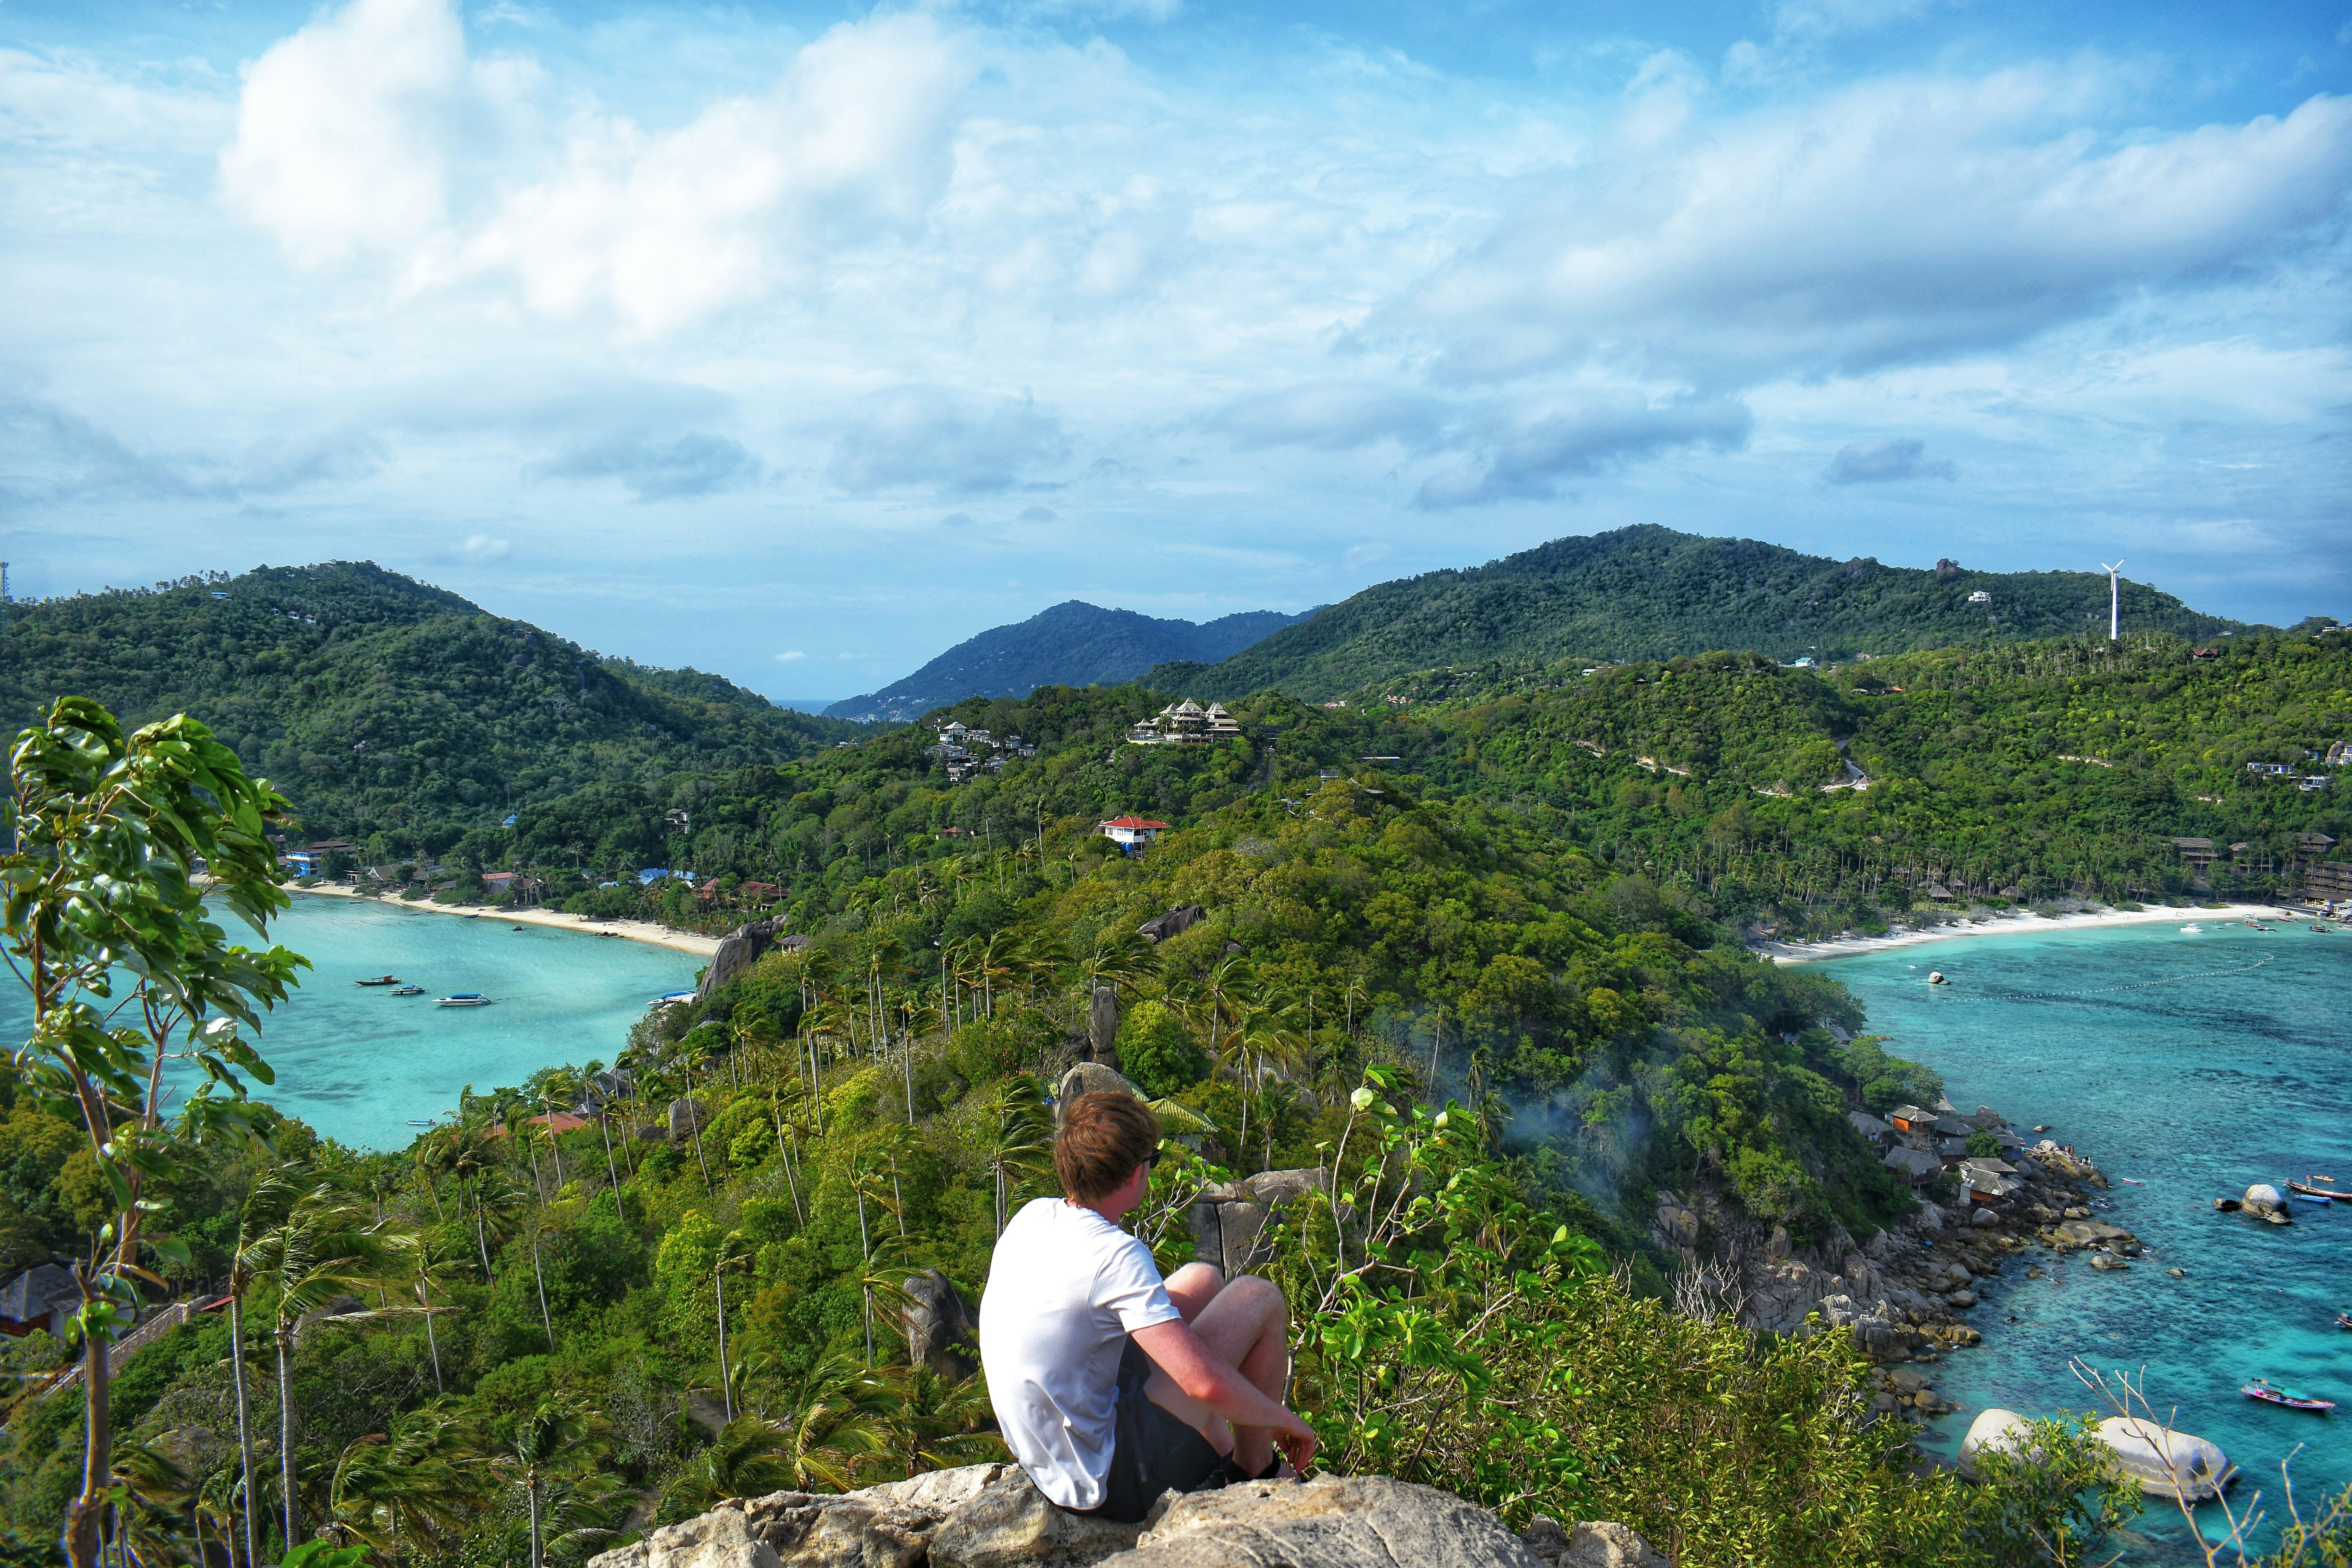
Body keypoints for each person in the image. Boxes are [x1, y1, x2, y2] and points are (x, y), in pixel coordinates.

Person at [978, 1090, 1317, 1522]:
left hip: (1047, 1443)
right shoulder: (1115, 1255)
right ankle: (1255, 1468)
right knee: (1259, 1297)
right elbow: (1202, 1384)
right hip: (1101, 1479)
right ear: (1135, 1174)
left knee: (1204, 1278)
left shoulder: (1034, 1215)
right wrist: (1283, 1419)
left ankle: (1220, 1448)